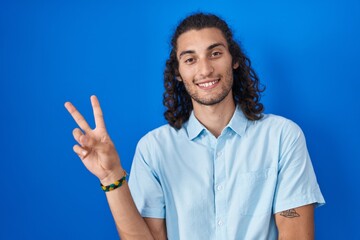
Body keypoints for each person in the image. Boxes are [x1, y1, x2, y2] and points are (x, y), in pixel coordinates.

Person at [65, 12, 325, 239]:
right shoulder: (153, 149)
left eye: (215, 53)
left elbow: (296, 234)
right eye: (190, 59)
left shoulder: (283, 136)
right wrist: (112, 177)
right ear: (178, 72)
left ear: (234, 59)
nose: (205, 69)